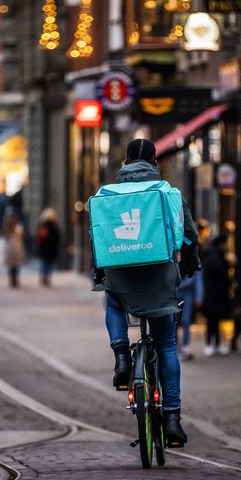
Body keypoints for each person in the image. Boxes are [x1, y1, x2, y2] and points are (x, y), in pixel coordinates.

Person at [93, 138, 198, 447]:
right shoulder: (169, 194)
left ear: (125, 162)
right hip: (159, 277)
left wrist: (100, 272)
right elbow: (189, 237)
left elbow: (98, 236)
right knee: (166, 345)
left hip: (121, 276)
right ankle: (172, 419)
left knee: (112, 301)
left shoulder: (106, 195)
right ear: (155, 161)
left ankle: (122, 358)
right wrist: (190, 266)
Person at [176, 219, 210, 360]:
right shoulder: (181, 240)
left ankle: (183, 347)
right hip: (178, 287)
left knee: (185, 320)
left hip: (184, 288)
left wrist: (199, 296)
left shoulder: (190, 242)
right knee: (178, 321)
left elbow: (197, 269)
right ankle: (178, 347)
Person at [202, 234, 232, 356]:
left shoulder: (211, 255)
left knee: (213, 320)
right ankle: (212, 344)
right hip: (215, 294)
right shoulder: (215, 257)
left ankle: (214, 344)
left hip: (211, 293)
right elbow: (221, 275)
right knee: (213, 320)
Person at [35, 208, 61, 287]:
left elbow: (38, 237)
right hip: (51, 249)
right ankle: (46, 277)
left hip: (44, 248)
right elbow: (58, 238)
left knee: (44, 263)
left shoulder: (43, 225)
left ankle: (43, 276)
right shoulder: (53, 226)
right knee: (49, 263)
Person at [2, 210, 25, 288]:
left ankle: (11, 280)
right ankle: (15, 280)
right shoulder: (18, 228)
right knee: (16, 265)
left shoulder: (7, 228)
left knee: (10, 265)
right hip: (16, 247)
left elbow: (5, 237)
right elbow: (21, 236)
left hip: (9, 248)